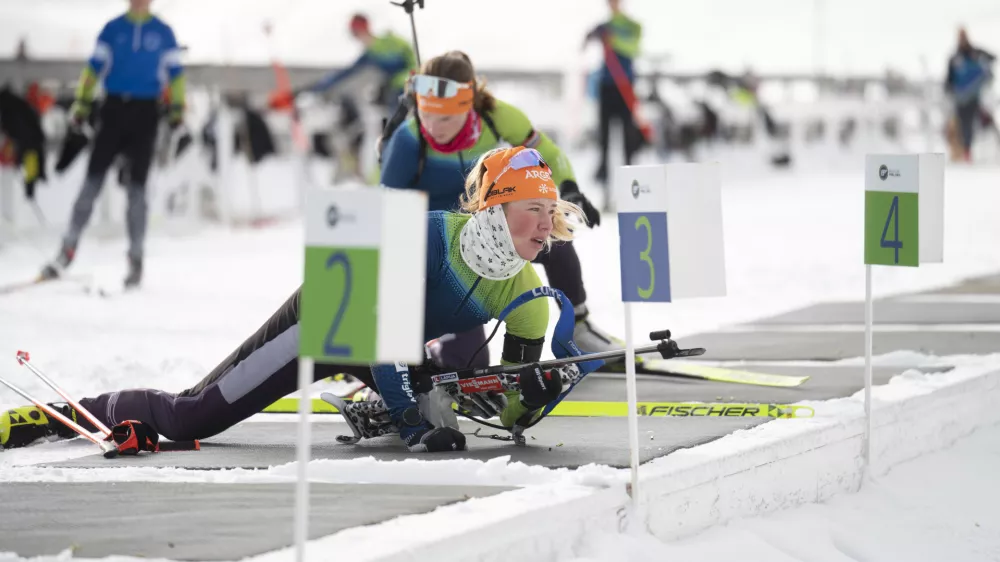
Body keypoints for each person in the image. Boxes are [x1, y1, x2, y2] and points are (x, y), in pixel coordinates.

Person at [1, 147, 586, 454]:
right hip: (330, 316)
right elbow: (374, 331)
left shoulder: (531, 297)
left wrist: (533, 397)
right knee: (191, 416)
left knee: (434, 390)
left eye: (549, 212)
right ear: (492, 208)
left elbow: (511, 411)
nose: (544, 225)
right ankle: (66, 412)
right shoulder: (426, 235)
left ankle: (388, 403)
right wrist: (411, 420)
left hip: (391, 342)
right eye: (530, 210)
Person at [379, 51, 622, 371]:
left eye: (446, 119)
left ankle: (578, 325)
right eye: (426, 116)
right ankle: (413, 358)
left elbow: (546, 150)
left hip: (490, 230)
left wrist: (569, 186)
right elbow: (388, 216)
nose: (433, 128)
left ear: (468, 106)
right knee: (468, 365)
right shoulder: (408, 140)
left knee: (554, 236)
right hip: (446, 252)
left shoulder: (496, 116)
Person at [38, 0, 185, 289]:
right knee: (91, 183)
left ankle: (136, 259)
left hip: (146, 113)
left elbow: (176, 75)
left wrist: (178, 107)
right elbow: (92, 69)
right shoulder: (113, 29)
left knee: (138, 190)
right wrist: (81, 102)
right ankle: (67, 249)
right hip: (114, 109)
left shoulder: (163, 32)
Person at [304, 13, 417, 118]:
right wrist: (316, 87)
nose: (356, 38)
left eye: (355, 33)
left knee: (398, 116)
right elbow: (345, 73)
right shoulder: (370, 54)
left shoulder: (393, 42)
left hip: (414, 86)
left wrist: (396, 81)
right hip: (398, 91)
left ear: (362, 29)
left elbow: (415, 63)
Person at [584, 0, 643, 188]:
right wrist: (590, 37)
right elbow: (585, 43)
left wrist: (612, 39)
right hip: (606, 86)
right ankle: (605, 186)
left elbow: (633, 48)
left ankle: (632, 184)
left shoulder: (633, 26)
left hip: (625, 87)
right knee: (604, 140)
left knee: (628, 137)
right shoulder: (603, 26)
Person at [944, 27, 995, 162]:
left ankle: (979, 150)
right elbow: (948, 79)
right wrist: (949, 90)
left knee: (981, 122)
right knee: (963, 125)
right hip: (960, 98)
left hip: (974, 97)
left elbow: (993, 57)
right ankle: (965, 152)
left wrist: (982, 61)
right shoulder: (954, 58)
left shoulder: (975, 53)